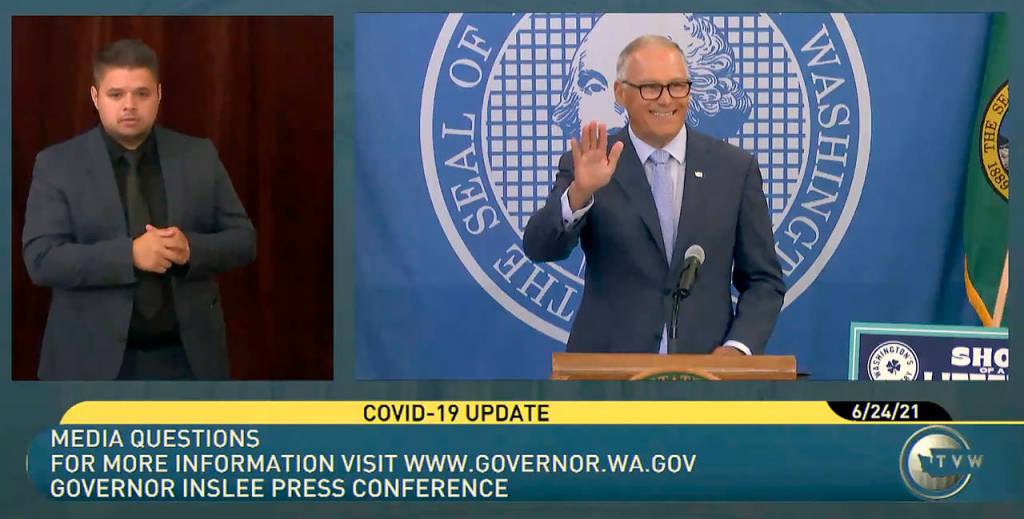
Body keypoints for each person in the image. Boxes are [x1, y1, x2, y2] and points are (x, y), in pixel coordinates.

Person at [523, 35, 784, 355]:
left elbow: (763, 281)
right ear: (620, 93)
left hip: (706, 374)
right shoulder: (591, 161)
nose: (666, 99)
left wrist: (737, 348)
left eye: (677, 85)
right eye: (650, 87)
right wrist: (580, 192)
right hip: (607, 376)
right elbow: (539, 247)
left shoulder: (734, 169)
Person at [21, 39, 256, 380]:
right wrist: (129, 255)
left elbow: (244, 240)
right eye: (116, 94)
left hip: (188, 362)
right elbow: (41, 260)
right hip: (89, 366)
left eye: (141, 94)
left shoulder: (198, 155)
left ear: (158, 95)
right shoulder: (57, 165)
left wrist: (192, 249)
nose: (129, 105)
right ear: (95, 97)